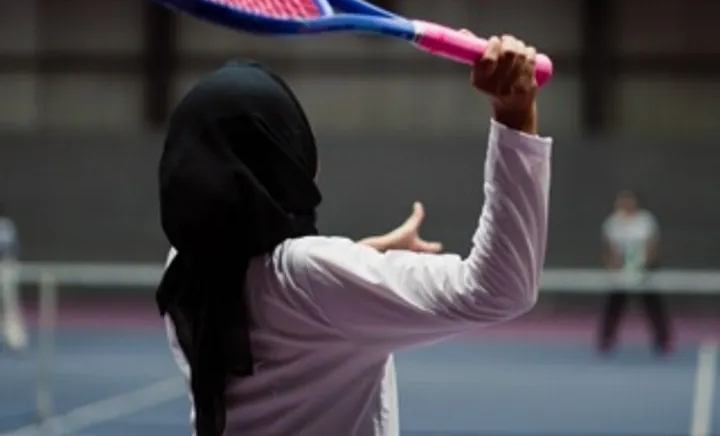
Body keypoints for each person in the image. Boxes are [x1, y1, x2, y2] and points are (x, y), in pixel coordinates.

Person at [157, 34, 552, 436]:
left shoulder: (185, 267)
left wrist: (367, 255)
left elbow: (275, 295)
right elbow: (500, 290)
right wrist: (515, 117)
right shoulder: (306, 276)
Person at [598, 190, 672, 354]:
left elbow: (652, 246)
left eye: (627, 201)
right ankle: (605, 340)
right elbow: (609, 249)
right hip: (621, 273)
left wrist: (641, 266)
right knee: (614, 306)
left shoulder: (645, 221)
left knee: (654, 305)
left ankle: (663, 341)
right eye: (621, 201)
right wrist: (616, 268)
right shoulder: (612, 223)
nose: (623, 204)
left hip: (645, 271)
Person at [0, 204, 28, 352]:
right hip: (9, 268)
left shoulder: (6, 226)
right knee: (10, 304)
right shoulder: (9, 226)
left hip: (6, 269)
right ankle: (15, 338)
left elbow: (11, 248)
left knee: (10, 304)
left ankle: (16, 338)